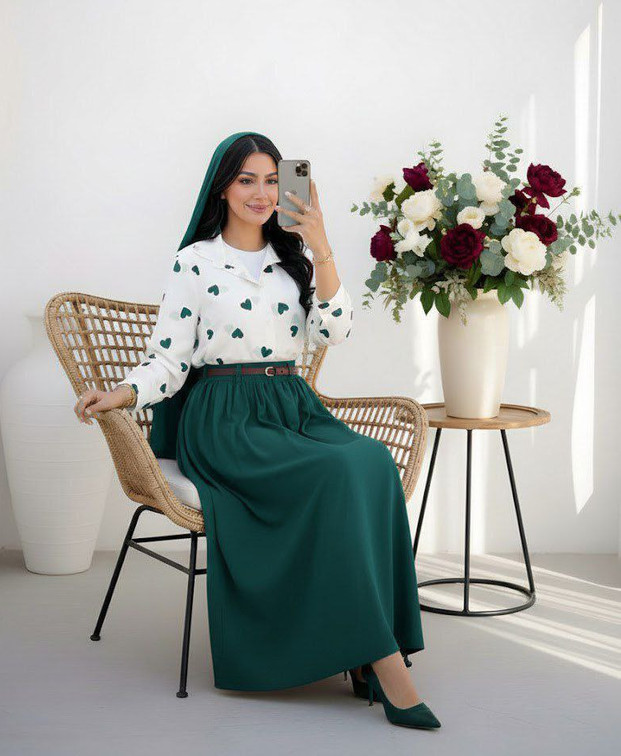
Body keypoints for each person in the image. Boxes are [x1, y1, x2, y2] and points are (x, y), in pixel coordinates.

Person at [73, 132, 441, 730]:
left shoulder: (295, 259)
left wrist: (321, 245)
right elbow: (169, 361)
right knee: (336, 470)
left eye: (273, 180)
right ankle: (383, 659)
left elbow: (334, 333)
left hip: (293, 407)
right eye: (247, 179)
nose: (262, 193)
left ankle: (364, 644)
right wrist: (121, 393)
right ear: (222, 187)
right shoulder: (195, 262)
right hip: (225, 417)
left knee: (370, 460)